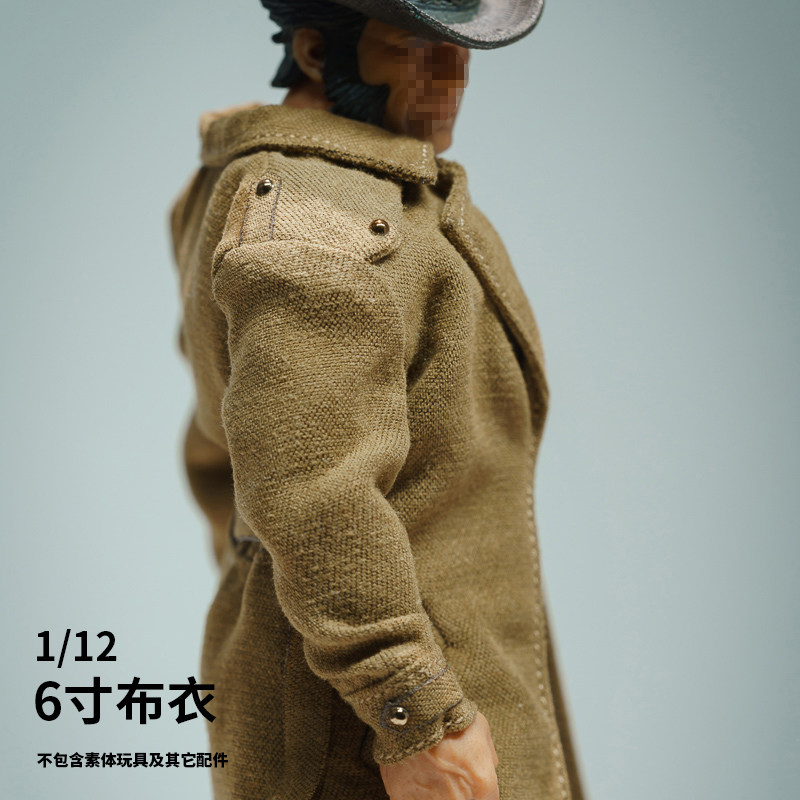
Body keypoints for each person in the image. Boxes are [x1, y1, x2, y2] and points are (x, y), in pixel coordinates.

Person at [168, 1, 586, 798]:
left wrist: (278, 593)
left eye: (459, 53)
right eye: (416, 51)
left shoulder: (265, 187)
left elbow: (226, 458)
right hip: (374, 740)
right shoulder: (318, 215)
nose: (453, 79)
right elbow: (308, 490)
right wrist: (412, 707)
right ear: (316, 52)